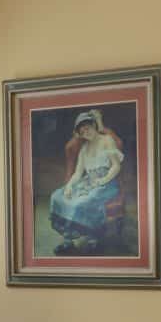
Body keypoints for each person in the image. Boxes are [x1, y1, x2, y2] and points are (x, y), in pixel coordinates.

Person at [49, 109, 124, 254]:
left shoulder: (107, 140)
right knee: (57, 196)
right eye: (82, 131)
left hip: (107, 183)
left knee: (80, 203)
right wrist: (69, 186)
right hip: (88, 182)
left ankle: (93, 238)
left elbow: (116, 166)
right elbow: (78, 173)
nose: (86, 132)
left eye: (87, 128)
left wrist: (103, 180)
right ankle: (68, 240)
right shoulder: (84, 149)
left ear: (94, 126)